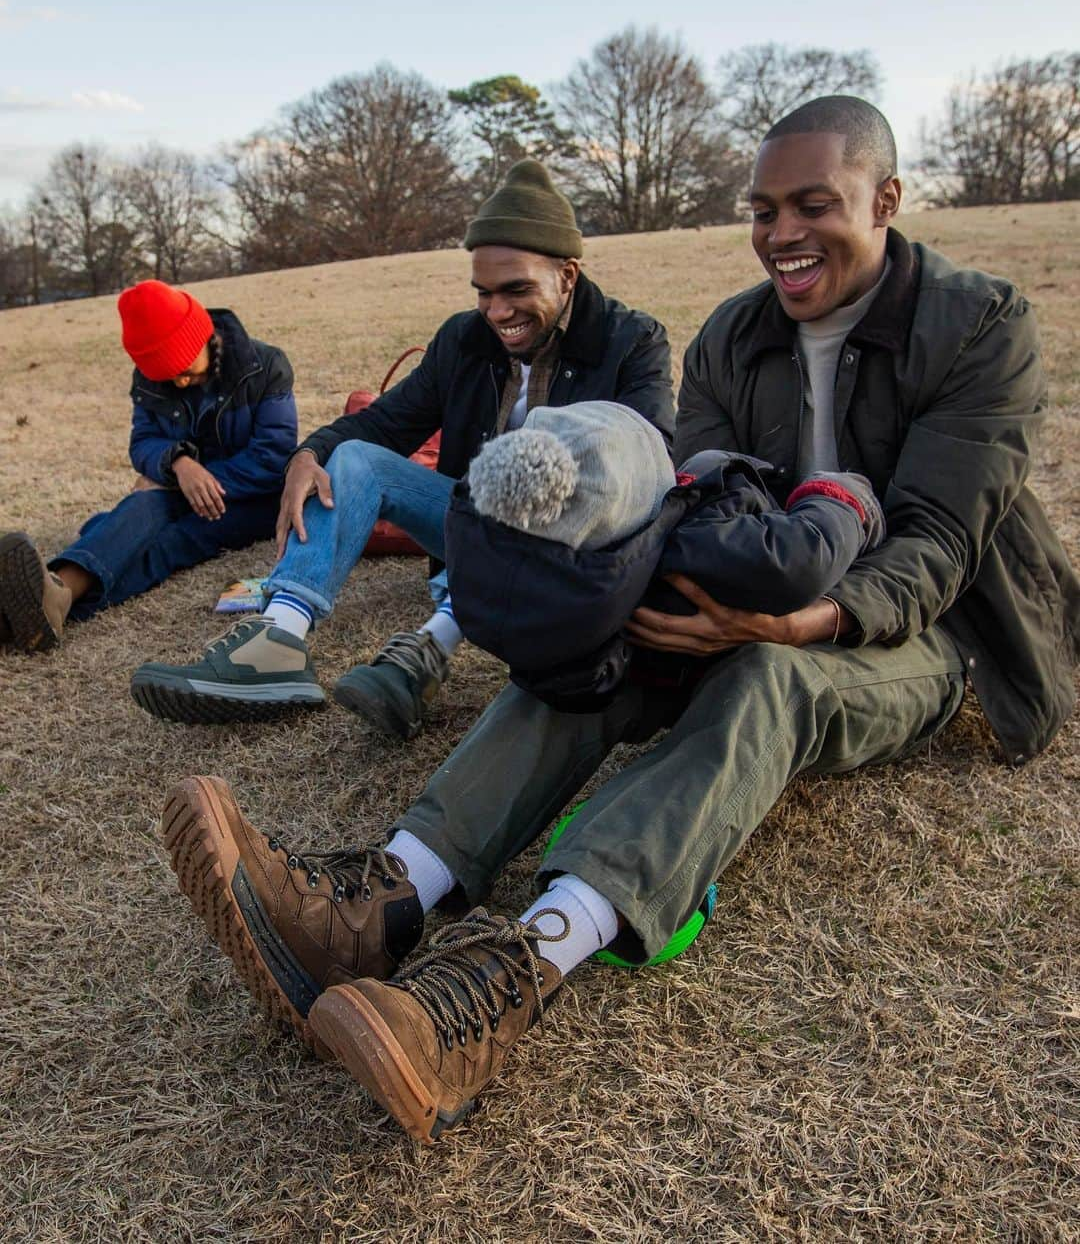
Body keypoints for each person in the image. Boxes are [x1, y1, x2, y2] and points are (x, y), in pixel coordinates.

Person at [160, 97, 1079, 1145]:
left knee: (770, 681)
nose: (782, 233)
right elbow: (698, 498)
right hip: (771, 575)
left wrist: (791, 625)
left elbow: (937, 547)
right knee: (616, 630)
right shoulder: (737, 332)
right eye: (764, 208)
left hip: (926, 630)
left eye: (814, 205)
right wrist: (647, 595)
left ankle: (509, 976)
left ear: (888, 200)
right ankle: (380, 903)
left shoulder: (981, 325)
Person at [131, 159, 674, 733]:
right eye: (484, 293)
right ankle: (277, 642)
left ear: (567, 275)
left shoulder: (631, 340)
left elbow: (648, 467)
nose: (496, 312)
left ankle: (427, 651)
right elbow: (384, 425)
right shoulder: (464, 339)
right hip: (468, 522)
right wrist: (307, 456)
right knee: (357, 459)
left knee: (527, 499)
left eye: (516, 290)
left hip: (570, 547)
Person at [445, 399, 883, 709]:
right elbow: (804, 556)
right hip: (770, 602)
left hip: (646, 651)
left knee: (710, 459)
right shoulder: (701, 548)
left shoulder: (524, 582)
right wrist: (842, 493)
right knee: (714, 461)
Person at [0, 281, 295, 653]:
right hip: (178, 490)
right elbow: (142, 443)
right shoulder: (152, 381)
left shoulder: (266, 366)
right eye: (167, 375)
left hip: (254, 500)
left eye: (185, 369)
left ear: (202, 337)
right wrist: (178, 463)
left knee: (165, 538)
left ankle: (29, 609)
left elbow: (274, 457)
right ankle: (51, 601)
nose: (180, 381)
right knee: (142, 508)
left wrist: (190, 480)